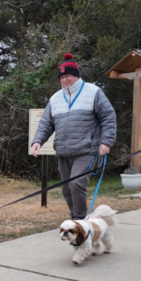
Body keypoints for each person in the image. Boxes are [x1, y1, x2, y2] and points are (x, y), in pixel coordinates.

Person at [31, 53, 117, 220]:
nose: (64, 80)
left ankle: (79, 220)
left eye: (68, 76)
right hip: (63, 152)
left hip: (86, 150)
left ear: (76, 75)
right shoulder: (55, 98)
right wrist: (37, 141)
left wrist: (106, 142)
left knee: (76, 184)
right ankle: (76, 218)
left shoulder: (93, 92)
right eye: (61, 77)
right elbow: (46, 123)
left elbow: (108, 116)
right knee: (66, 189)